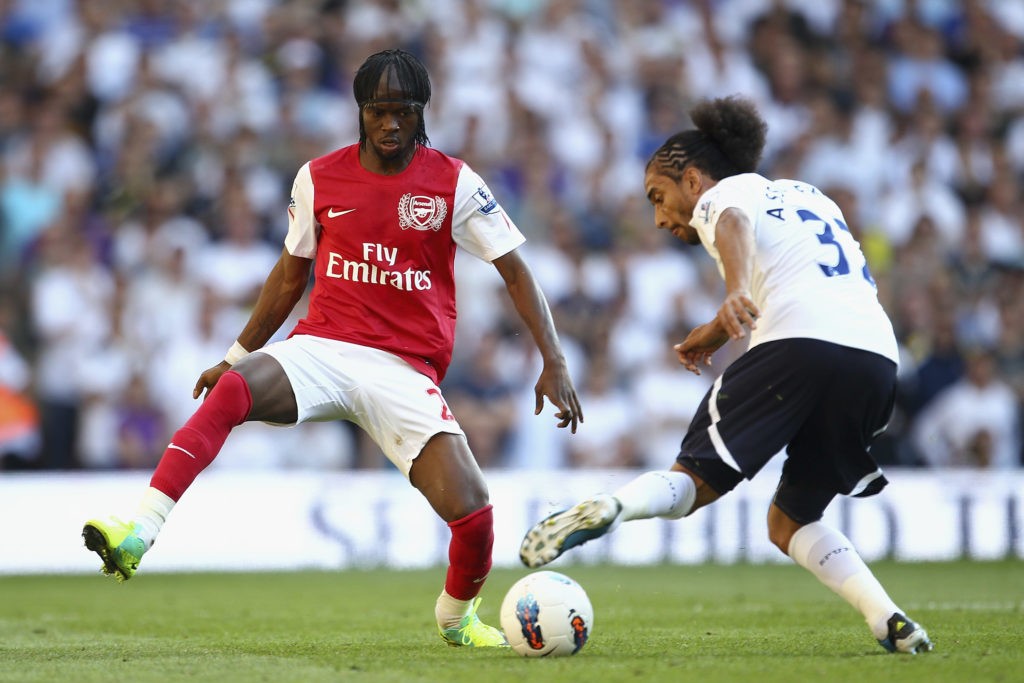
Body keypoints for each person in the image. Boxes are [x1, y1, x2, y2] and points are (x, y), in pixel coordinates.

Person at [83, 48, 583, 648]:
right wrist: (237, 356)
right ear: (360, 111)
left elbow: (517, 272)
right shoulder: (319, 176)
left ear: (422, 112)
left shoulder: (454, 183)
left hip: (404, 369)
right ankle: (138, 532)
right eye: (379, 111)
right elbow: (291, 275)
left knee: (475, 516)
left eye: (404, 111)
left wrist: (553, 360)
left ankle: (456, 619)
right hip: (322, 347)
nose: (391, 124)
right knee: (234, 391)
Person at [519, 95, 933, 655]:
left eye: (658, 197)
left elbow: (732, 223)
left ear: (692, 180)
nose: (660, 217)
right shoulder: (810, 195)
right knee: (791, 520)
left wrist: (734, 289)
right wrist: (718, 327)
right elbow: (800, 269)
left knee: (691, 481)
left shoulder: (725, 192)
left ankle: (613, 506)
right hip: (875, 359)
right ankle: (890, 621)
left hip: (797, 344)